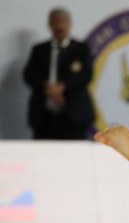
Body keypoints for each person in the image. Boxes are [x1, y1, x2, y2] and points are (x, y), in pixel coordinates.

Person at [22, 7, 94, 140]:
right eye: (56, 22)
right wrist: (47, 88)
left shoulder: (81, 49)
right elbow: (28, 75)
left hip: (74, 116)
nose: (59, 26)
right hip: (44, 118)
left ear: (69, 24)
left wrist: (62, 87)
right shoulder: (39, 50)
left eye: (63, 22)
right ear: (50, 25)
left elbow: (86, 75)